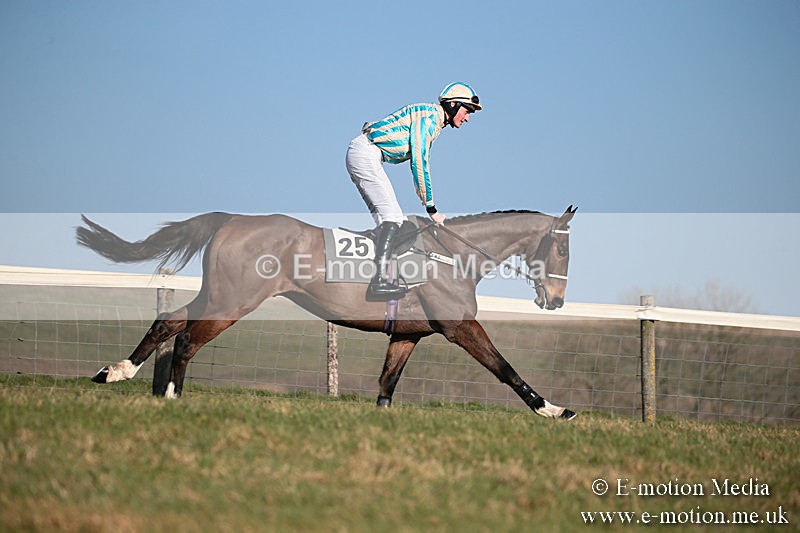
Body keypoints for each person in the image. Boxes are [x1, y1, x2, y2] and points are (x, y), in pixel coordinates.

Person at [346, 82, 482, 297]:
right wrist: (431, 207)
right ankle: (378, 281)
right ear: (453, 105)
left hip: (367, 155)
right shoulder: (429, 118)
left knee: (394, 220)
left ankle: (376, 274)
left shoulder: (434, 120)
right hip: (366, 153)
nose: (467, 118)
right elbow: (420, 163)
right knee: (391, 218)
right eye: (467, 111)